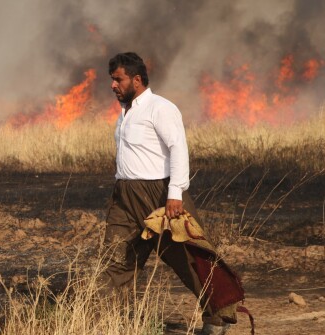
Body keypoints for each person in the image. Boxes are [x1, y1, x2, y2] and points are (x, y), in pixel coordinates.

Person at [101, 52, 248, 335]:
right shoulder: (126, 112)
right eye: (112, 80)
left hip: (159, 194)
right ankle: (105, 321)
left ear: (137, 79)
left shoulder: (160, 108)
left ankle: (217, 318)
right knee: (115, 258)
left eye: (117, 80)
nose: (113, 85)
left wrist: (175, 193)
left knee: (188, 258)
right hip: (124, 196)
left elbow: (178, 148)